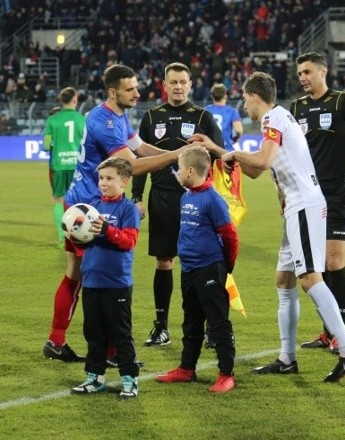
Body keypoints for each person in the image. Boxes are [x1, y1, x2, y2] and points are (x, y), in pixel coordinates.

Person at [198, 71, 345, 383]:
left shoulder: (273, 118)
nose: (244, 107)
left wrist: (232, 152)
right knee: (284, 279)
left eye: (246, 101)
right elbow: (257, 171)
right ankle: (287, 358)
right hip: (297, 206)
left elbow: (262, 161)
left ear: (255, 98)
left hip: (304, 204)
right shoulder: (280, 118)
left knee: (309, 278)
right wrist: (219, 150)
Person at [43, 64, 187, 363]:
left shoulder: (117, 115)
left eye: (136, 87)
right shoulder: (104, 123)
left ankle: (58, 341)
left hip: (82, 203)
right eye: (130, 89)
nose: (137, 92)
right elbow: (129, 166)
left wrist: (176, 152)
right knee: (102, 278)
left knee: (77, 274)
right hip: (91, 209)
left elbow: (140, 147)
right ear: (113, 92)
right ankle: (108, 350)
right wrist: (174, 157)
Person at [290, 52, 345, 354]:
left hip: (337, 192)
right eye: (299, 73)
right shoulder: (298, 108)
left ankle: (339, 333)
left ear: (322, 72)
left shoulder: (343, 102)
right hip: (307, 195)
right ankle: (328, 331)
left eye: (306, 72)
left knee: (334, 261)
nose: (302, 77)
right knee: (317, 266)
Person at [131, 62, 224, 348]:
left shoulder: (203, 117)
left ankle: (211, 326)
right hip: (161, 198)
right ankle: (161, 326)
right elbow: (140, 162)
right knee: (164, 261)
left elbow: (220, 159)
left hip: (196, 200)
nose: (178, 86)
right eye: (173, 82)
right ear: (165, 84)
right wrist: (137, 198)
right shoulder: (151, 117)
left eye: (183, 81)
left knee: (203, 264)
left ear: (190, 84)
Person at [154, 145, 239, 393]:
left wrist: (225, 267)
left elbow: (230, 236)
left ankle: (226, 374)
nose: (177, 172)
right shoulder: (186, 196)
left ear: (190, 170)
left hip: (210, 269)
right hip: (189, 268)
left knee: (217, 323)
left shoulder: (212, 199)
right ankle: (186, 369)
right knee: (191, 321)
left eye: (179, 169)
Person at [70, 157, 141, 399]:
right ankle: (95, 377)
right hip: (91, 281)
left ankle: (129, 379)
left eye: (109, 178)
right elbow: (82, 241)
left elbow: (129, 241)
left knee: (121, 334)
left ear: (124, 182)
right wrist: (74, 234)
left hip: (116, 283)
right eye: (101, 178)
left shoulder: (127, 209)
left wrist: (107, 230)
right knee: (94, 333)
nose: (103, 183)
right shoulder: (91, 206)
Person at [43, 87, 86, 248]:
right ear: (75, 100)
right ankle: (78, 235)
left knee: (59, 201)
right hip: (78, 166)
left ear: (61, 100)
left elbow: (46, 145)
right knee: (79, 202)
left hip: (59, 165)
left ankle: (62, 239)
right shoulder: (82, 119)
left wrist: (56, 144)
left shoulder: (52, 120)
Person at [205, 83, 243, 152]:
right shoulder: (232, 111)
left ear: (212, 96)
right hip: (225, 150)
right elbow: (238, 130)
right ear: (225, 96)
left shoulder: (205, 110)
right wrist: (234, 139)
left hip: (209, 151)